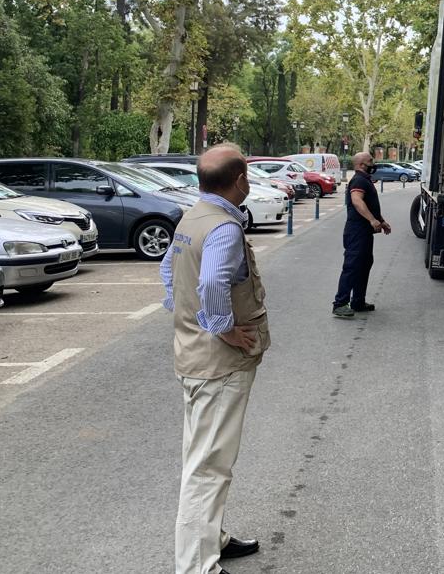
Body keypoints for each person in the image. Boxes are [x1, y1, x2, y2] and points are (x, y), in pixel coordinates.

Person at [160, 143, 268, 574]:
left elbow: (169, 271)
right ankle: (195, 567)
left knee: (203, 456)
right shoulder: (223, 227)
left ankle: (213, 538)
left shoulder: (192, 216)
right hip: (218, 365)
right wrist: (224, 329)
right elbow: (211, 285)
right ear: (239, 180)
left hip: (193, 357)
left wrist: (186, 315)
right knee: (208, 467)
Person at [332, 152, 391, 319]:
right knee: (352, 266)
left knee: (364, 264)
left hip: (364, 232)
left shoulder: (364, 180)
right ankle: (340, 304)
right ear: (360, 165)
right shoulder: (358, 180)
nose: (373, 163)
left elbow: (370, 204)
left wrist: (381, 220)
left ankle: (358, 301)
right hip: (356, 231)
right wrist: (372, 220)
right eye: (370, 161)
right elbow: (357, 201)